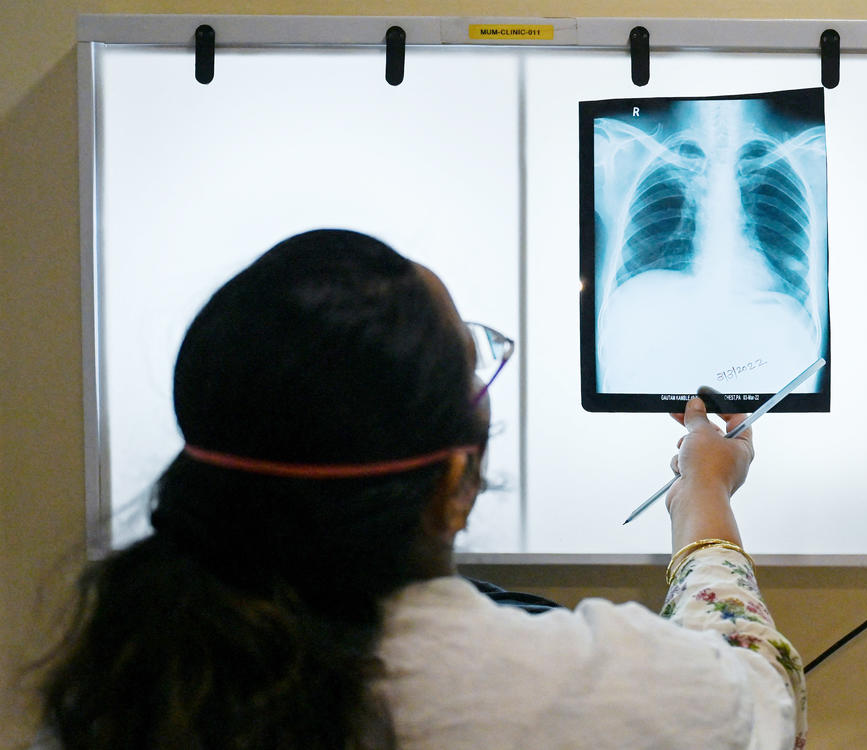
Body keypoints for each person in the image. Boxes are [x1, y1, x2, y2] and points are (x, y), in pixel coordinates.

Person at [36, 229, 806, 749]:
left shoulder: (119, 683)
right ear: (450, 486)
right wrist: (705, 497)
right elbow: (761, 699)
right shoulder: (573, 689)